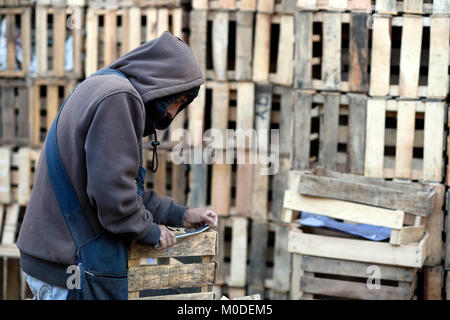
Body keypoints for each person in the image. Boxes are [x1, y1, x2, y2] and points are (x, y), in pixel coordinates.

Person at [17, 31, 218, 300]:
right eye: (177, 100)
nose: (172, 113)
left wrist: (180, 215)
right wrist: (151, 231)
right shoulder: (118, 98)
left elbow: (119, 188)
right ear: (164, 82)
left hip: (54, 263)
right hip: (70, 270)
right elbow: (114, 200)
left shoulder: (104, 86)